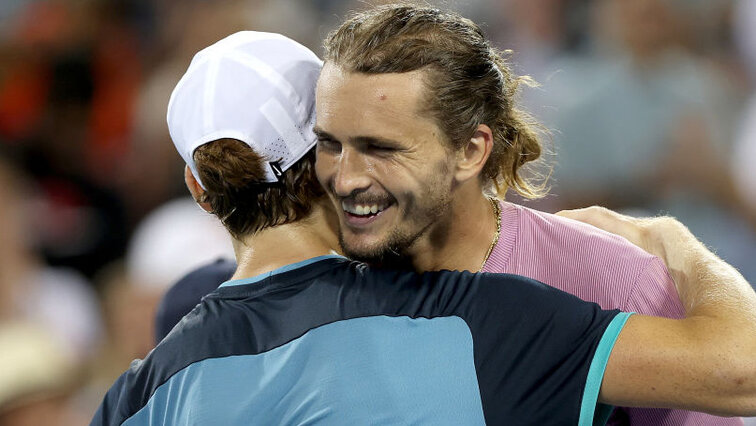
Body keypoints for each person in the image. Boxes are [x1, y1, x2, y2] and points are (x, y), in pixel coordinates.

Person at [92, 30, 756, 426]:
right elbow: (741, 370)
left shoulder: (141, 392)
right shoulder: (475, 321)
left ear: (199, 192)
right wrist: (679, 245)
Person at [312, 5, 746, 424]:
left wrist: (674, 240)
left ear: (470, 151)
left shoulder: (608, 275)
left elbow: (738, 374)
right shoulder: (308, 287)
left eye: (381, 148)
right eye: (330, 144)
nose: (345, 179)